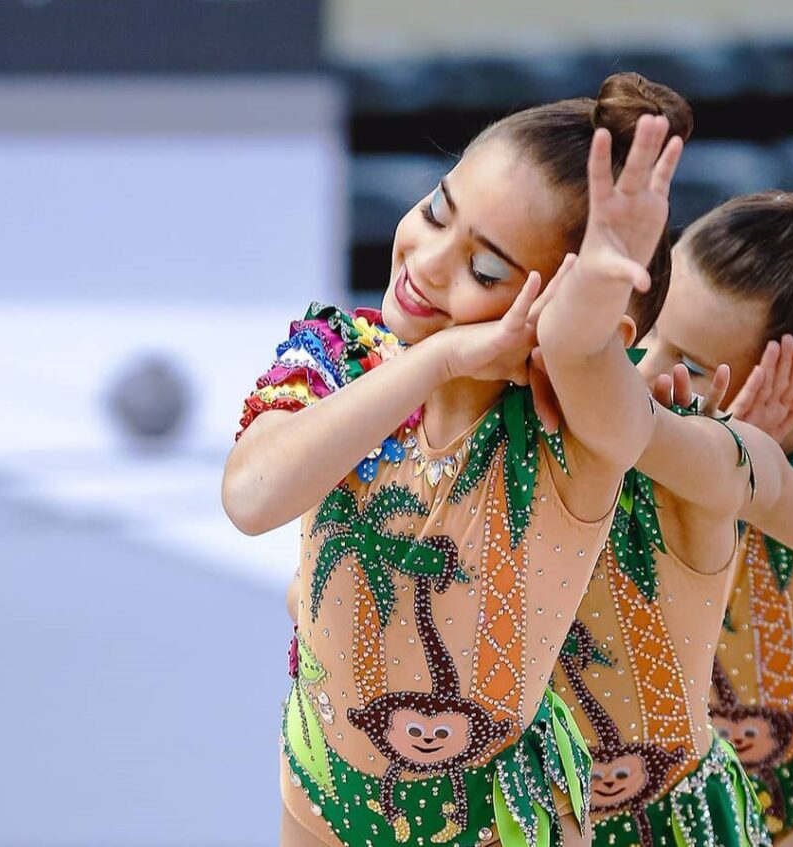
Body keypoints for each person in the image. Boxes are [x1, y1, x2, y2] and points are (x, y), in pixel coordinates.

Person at [222, 73, 691, 847]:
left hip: (497, 824)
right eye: (439, 210)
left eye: (485, 270)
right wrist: (435, 362)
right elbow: (252, 495)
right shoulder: (340, 356)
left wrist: (599, 291)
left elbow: (581, 351)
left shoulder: (569, 438)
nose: (429, 262)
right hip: (321, 798)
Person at [543, 165, 793, 847]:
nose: (644, 366)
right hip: (651, 786)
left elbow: (760, 485)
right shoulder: (633, 412)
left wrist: (730, 453)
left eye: (685, 359)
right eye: (649, 328)